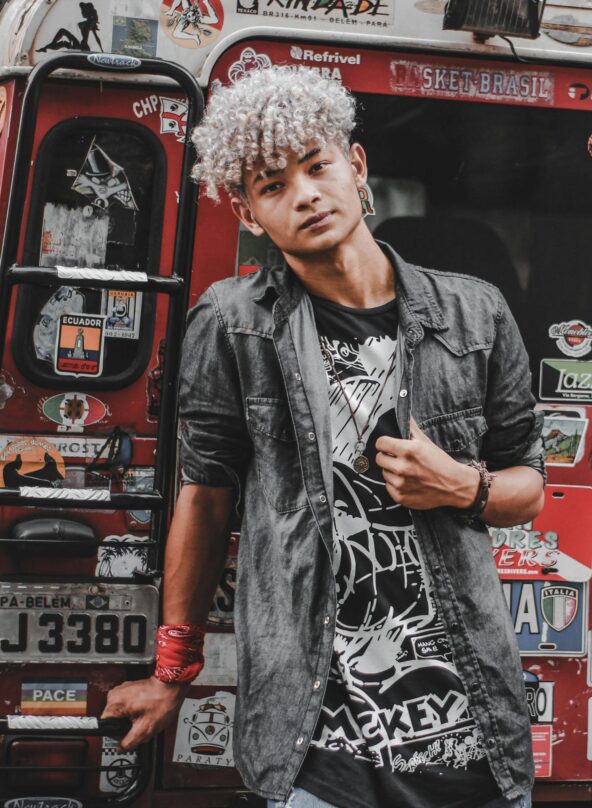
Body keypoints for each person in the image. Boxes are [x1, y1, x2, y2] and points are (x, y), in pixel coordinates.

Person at [101, 65, 545, 808]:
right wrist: (171, 671)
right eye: (272, 186)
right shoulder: (233, 323)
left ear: (357, 167)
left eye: (317, 166)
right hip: (314, 735)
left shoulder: (476, 315)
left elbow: (526, 486)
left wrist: (461, 486)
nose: (304, 194)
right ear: (247, 213)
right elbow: (205, 497)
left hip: (472, 730)